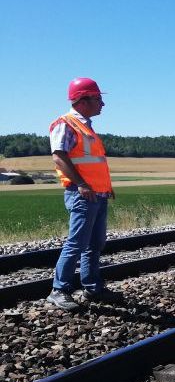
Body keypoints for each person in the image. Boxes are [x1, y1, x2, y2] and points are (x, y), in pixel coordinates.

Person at [47, 77, 121, 311]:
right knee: (76, 243)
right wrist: (81, 184)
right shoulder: (66, 123)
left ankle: (92, 287)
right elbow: (59, 155)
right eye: (98, 98)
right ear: (82, 100)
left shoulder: (86, 126)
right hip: (82, 194)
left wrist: (105, 187)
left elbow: (94, 163)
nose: (102, 104)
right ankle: (59, 290)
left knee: (95, 244)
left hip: (97, 194)